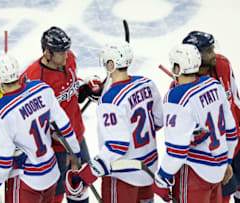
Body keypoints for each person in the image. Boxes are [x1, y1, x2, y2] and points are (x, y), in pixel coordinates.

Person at [65, 41, 164, 203]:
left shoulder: (110, 101)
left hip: (122, 176)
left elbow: (117, 146)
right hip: (148, 170)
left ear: (110, 64)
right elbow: (158, 122)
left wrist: (87, 175)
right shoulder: (147, 83)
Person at [0, 54, 81, 203]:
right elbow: (64, 128)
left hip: (25, 180)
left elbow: (2, 162)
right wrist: (76, 154)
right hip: (51, 173)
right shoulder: (42, 89)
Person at [20, 26, 101, 203]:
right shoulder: (34, 77)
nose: (66, 55)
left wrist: (86, 88)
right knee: (56, 192)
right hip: (54, 146)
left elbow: (70, 91)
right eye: (60, 52)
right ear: (47, 53)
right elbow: (28, 117)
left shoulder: (69, 59)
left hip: (76, 134)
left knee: (81, 184)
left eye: (66, 50)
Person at [153, 44, 238, 203]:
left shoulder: (176, 98)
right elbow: (231, 131)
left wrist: (163, 177)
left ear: (177, 68)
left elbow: (177, 150)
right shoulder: (214, 84)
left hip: (194, 173)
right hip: (218, 170)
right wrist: (227, 161)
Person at [182, 31, 240, 202]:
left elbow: (235, 101)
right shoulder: (183, 83)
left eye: (212, 49)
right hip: (214, 157)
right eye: (208, 51)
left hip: (236, 145)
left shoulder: (223, 65)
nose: (213, 54)